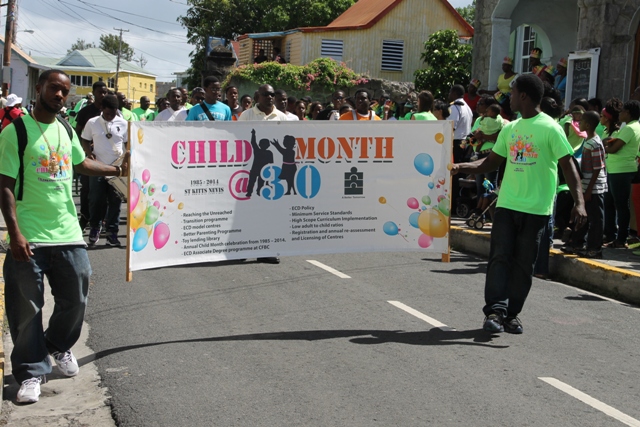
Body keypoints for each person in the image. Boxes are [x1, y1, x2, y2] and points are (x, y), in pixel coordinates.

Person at [0, 69, 128, 403]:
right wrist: (15, 234)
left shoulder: (65, 128)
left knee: (77, 296)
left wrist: (116, 169)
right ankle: (30, 372)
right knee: (26, 307)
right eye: (54, 89)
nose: (60, 95)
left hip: (68, 232)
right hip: (30, 236)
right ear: (39, 88)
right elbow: (4, 186)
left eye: (65, 91)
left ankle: (55, 346)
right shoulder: (15, 133)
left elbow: (81, 164)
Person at [451, 74, 586, 334]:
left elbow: (568, 165)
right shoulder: (510, 129)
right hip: (507, 205)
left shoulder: (550, 127)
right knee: (499, 258)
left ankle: (511, 315)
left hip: (536, 209)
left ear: (523, 95)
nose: (508, 98)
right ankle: (495, 312)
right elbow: (490, 162)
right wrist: (460, 166)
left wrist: (579, 203)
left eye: (511, 93)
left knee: (525, 265)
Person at [238, 84, 286, 264]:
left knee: (270, 212)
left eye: (272, 95)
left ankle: (266, 250)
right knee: (248, 210)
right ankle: (242, 248)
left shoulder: (282, 117)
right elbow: (240, 140)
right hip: (251, 168)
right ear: (257, 96)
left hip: (274, 172)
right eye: (266, 95)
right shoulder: (247, 115)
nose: (270, 98)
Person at [81, 94, 128, 246]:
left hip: (116, 169)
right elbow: (85, 140)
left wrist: (126, 162)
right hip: (98, 168)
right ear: (102, 109)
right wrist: (89, 154)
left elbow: (129, 144)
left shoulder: (123, 123)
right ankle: (95, 227)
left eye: (113, 113)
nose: (110, 116)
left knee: (115, 201)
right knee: (96, 200)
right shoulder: (92, 123)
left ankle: (112, 233)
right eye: (108, 113)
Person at [561, 111, 607, 258]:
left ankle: (595, 248)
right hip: (586, 186)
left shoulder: (595, 143)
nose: (578, 124)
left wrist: (589, 190)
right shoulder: (587, 141)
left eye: (581, 122)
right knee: (583, 216)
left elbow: (597, 168)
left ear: (587, 124)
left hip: (594, 187)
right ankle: (577, 243)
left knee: (596, 219)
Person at [603, 100, 640, 248]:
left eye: (623, 110)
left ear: (629, 113)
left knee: (620, 206)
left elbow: (613, 149)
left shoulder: (630, 129)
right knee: (611, 203)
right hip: (618, 169)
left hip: (621, 170)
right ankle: (612, 235)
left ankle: (621, 239)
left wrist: (604, 145)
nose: (621, 113)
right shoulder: (634, 127)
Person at [75, 81, 109, 231]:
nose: (103, 95)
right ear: (94, 93)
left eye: (105, 92)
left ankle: (101, 220)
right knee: (87, 189)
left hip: (107, 158)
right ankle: (85, 217)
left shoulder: (111, 112)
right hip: (89, 157)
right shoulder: (85, 112)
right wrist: (86, 149)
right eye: (100, 92)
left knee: (104, 192)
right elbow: (78, 133)